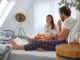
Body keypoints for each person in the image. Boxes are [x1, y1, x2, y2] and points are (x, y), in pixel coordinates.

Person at [10, 6, 76, 51]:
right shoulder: (70, 19)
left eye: (59, 14)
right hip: (64, 41)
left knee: (40, 42)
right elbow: (58, 36)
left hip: (64, 44)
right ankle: (45, 48)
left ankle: (18, 47)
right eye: (47, 19)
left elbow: (61, 38)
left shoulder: (68, 20)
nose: (59, 16)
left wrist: (59, 26)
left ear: (62, 14)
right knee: (50, 38)